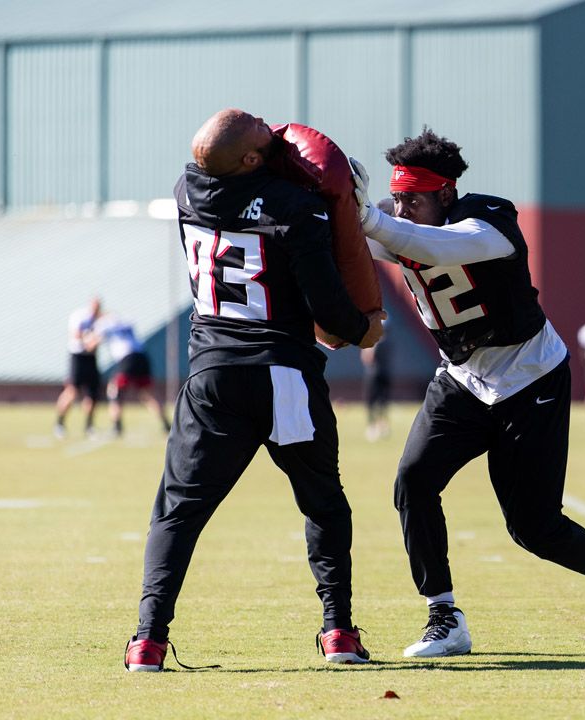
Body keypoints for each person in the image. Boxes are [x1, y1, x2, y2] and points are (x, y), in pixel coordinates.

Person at [350, 128, 585, 656]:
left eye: (412, 199)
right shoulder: (400, 222)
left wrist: (371, 220)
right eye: (396, 198)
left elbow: (437, 246)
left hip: (528, 374)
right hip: (461, 377)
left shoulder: (489, 219)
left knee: (534, 527)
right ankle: (443, 614)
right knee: (413, 482)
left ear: (445, 194)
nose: (401, 208)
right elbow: (352, 237)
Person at [124, 108, 384, 672]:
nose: (276, 134)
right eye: (263, 137)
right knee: (323, 504)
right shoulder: (295, 206)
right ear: (248, 160)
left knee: (178, 512)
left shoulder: (185, 189)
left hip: (213, 374)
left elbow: (240, 196)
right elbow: (329, 308)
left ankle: (147, 640)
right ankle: (337, 631)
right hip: (284, 372)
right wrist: (365, 328)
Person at [96, 314, 170, 437]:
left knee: (114, 391)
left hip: (127, 359)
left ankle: (116, 427)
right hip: (142, 357)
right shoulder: (125, 322)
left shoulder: (105, 324)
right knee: (148, 394)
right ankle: (167, 425)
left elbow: (94, 341)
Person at [54, 297, 103, 438]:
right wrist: (89, 340)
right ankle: (59, 423)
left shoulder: (99, 320)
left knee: (92, 394)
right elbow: (76, 335)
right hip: (78, 357)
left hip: (91, 358)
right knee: (72, 391)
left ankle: (89, 425)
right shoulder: (80, 316)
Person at [361, 319, 394, 441]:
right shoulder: (389, 341)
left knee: (371, 402)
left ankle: (373, 426)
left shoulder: (374, 342)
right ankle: (382, 426)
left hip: (373, 374)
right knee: (383, 402)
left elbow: (367, 358)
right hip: (385, 373)